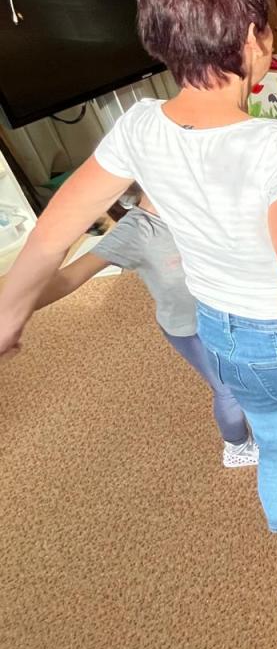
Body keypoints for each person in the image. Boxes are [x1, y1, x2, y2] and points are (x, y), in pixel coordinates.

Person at [0, 0, 277, 594]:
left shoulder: (138, 124)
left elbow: (55, 227)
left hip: (222, 332)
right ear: (251, 39)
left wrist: (9, 307)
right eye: (265, 28)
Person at [33, 185, 258, 467]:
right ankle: (237, 447)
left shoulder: (198, 203)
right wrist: (14, 307)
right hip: (189, 329)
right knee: (227, 389)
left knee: (250, 376)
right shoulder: (136, 231)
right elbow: (67, 279)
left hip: (225, 316)